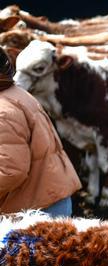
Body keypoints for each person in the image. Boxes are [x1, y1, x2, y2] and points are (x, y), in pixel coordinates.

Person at [0, 48, 80, 216]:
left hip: (35, 212)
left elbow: (9, 171)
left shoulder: (3, 111)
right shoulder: (14, 94)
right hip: (45, 199)